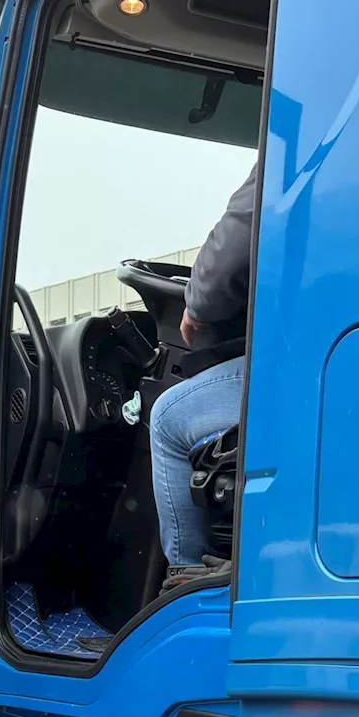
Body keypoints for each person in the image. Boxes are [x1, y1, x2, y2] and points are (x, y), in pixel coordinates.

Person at [148, 162, 257, 580]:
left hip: (320, 374)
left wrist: (195, 306)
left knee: (168, 417)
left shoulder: (303, 133)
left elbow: (236, 242)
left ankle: (185, 580)